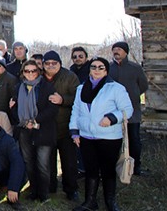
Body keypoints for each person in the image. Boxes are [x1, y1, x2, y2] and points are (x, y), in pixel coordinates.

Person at [70, 57, 134, 211]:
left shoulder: (115, 88)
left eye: (101, 67)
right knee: (91, 170)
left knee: (107, 170)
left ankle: (110, 201)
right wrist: (74, 132)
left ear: (106, 70)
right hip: (87, 136)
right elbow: (76, 111)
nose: (96, 70)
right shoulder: (81, 88)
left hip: (109, 136)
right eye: (93, 67)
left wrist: (112, 118)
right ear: (89, 69)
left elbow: (128, 110)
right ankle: (90, 201)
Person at [9, 60, 58, 202]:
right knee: (28, 162)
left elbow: (52, 109)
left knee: (42, 163)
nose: (30, 74)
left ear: (38, 72)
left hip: (43, 130)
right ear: (23, 73)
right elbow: (14, 110)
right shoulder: (19, 88)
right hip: (24, 131)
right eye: (27, 71)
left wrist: (35, 120)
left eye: (33, 71)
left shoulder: (47, 87)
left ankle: (43, 194)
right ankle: (33, 190)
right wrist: (14, 111)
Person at [41, 50, 80, 199]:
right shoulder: (40, 77)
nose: (50, 66)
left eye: (54, 63)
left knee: (69, 161)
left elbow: (78, 98)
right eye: (47, 63)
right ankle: (50, 186)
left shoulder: (70, 77)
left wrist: (63, 100)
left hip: (65, 126)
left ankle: (71, 189)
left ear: (60, 64)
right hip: (46, 127)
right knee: (48, 160)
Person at [108, 41, 148, 176]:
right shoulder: (108, 68)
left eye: (119, 49)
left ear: (125, 52)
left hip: (133, 111)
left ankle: (136, 167)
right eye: (114, 49)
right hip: (113, 111)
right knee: (114, 140)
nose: (116, 51)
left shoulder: (135, 68)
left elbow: (143, 85)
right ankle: (116, 166)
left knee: (134, 139)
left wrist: (134, 95)